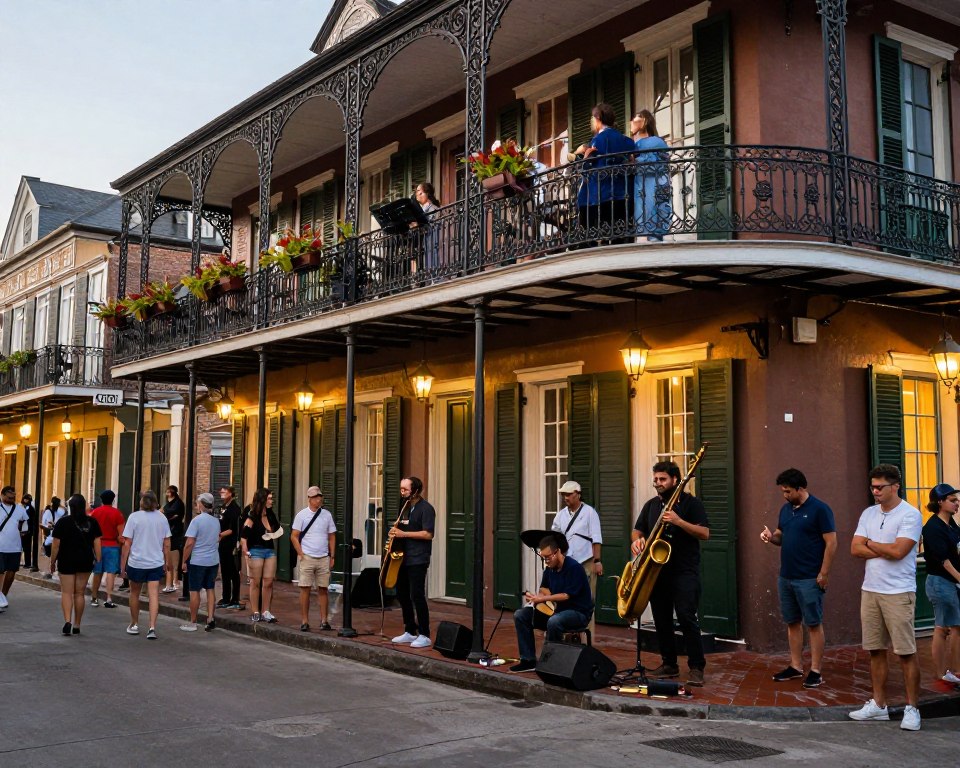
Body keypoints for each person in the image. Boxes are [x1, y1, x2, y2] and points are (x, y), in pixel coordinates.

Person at [849, 464, 923, 730]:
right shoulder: (868, 513)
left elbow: (900, 551)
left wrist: (871, 543)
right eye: (873, 487)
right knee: (875, 650)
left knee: (906, 652)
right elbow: (854, 549)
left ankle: (912, 708)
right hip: (870, 590)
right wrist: (883, 548)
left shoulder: (910, 514)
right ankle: (879, 705)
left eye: (880, 487)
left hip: (899, 591)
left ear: (895, 486)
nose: (875, 491)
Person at [632, 460, 710, 687]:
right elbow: (637, 531)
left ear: (675, 480)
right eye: (655, 479)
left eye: (662, 479)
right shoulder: (650, 505)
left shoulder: (691, 504)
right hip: (657, 572)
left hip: (685, 571)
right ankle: (669, 664)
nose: (657, 483)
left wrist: (679, 521)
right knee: (661, 619)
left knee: (686, 617)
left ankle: (696, 667)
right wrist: (637, 542)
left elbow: (705, 533)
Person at [761, 468, 837, 689]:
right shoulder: (786, 510)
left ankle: (815, 670)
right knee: (792, 622)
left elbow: (831, 543)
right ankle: (795, 666)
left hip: (809, 578)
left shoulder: (820, 509)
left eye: (787, 491)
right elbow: (780, 537)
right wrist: (770, 536)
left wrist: (824, 573)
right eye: (782, 491)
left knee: (813, 623)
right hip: (786, 576)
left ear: (800, 488)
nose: (784, 495)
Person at [511, 533, 594, 673]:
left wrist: (543, 599)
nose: (546, 561)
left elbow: (566, 595)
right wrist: (536, 597)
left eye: (548, 557)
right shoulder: (549, 569)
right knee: (520, 615)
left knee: (554, 622)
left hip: (578, 613)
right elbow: (544, 588)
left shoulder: (574, 568)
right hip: (555, 611)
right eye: (543, 558)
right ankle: (528, 660)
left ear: (558, 552)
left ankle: (551, 662)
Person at [571, 102, 636, 247]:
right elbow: (632, 150)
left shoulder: (597, 140)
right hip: (622, 192)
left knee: (597, 231)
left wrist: (585, 157)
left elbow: (589, 168)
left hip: (600, 193)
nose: (592, 122)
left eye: (593, 118)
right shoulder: (623, 139)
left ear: (598, 118)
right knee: (619, 235)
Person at [389, 476, 436, 649]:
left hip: (418, 558)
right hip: (402, 557)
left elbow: (428, 534)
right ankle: (410, 629)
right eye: (401, 489)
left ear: (415, 490)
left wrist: (404, 534)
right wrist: (395, 532)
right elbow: (402, 528)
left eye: (405, 489)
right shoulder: (405, 507)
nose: (402, 493)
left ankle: (425, 634)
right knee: (402, 593)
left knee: (417, 595)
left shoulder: (426, 509)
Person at [921, 483, 960, 685]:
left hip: (951, 582)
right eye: (952, 500)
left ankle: (954, 670)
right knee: (942, 627)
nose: (957, 503)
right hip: (940, 581)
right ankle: (941, 673)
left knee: (955, 626)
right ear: (939, 502)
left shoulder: (951, 524)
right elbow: (943, 560)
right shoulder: (933, 528)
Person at [551, 480, 602, 634]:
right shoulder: (560, 515)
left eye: (569, 494)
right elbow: (554, 537)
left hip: (585, 561)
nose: (566, 497)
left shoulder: (589, 512)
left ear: (578, 494)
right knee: (564, 599)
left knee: (587, 601)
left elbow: (596, 538)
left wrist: (597, 561)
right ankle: (565, 636)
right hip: (566, 563)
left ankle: (587, 639)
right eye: (563, 494)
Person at [121, 490, 172, 640]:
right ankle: (152, 627)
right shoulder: (162, 518)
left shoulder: (134, 517)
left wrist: (122, 565)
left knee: (134, 593)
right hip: (155, 562)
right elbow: (167, 543)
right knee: (154, 595)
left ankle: (134, 624)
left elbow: (127, 544)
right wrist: (166, 562)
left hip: (137, 562)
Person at [50, 494, 101, 635]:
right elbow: (97, 543)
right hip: (85, 559)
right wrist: (98, 558)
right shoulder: (92, 522)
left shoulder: (63, 522)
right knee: (79, 593)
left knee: (66, 592)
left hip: (66, 559)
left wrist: (52, 561)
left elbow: (56, 545)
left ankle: (67, 621)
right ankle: (77, 624)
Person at [291, 486, 337, 632]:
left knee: (323, 589)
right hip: (308, 556)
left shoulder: (327, 515)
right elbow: (294, 536)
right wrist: (301, 553)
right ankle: (305, 620)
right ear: (310, 499)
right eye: (316, 497)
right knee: (305, 589)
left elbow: (332, 536)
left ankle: (324, 620)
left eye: (320, 497)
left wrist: (332, 555)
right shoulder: (302, 515)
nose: (319, 499)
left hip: (323, 556)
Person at [180, 493, 221, 632]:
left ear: (202, 504)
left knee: (194, 591)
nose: (197, 505)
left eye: (198, 503)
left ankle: (193, 621)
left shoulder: (196, 521)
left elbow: (189, 543)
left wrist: (184, 560)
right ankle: (210, 618)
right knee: (210, 589)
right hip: (213, 560)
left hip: (198, 560)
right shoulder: (216, 521)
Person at [630, 109, 672, 242]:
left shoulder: (655, 141)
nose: (632, 122)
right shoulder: (633, 144)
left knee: (654, 217)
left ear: (644, 121)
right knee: (642, 217)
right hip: (640, 186)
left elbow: (660, 164)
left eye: (636, 119)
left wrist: (635, 161)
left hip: (653, 184)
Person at [241, 488, 280, 623]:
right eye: (269, 498)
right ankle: (255, 611)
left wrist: (273, 533)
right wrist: (245, 550)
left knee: (268, 582)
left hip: (269, 550)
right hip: (256, 550)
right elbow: (244, 535)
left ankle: (266, 611)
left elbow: (277, 529)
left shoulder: (270, 514)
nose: (271, 501)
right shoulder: (252, 514)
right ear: (262, 500)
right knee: (255, 582)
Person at [89, 490, 125, 609]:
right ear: (113, 500)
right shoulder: (117, 514)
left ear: (101, 500)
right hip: (112, 546)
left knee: (97, 572)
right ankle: (109, 598)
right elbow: (121, 535)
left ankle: (94, 597)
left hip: (98, 544)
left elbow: (90, 531)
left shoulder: (95, 512)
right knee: (110, 573)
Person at [0, 485, 30, 606]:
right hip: (0, 546)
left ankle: (3, 595)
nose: (11, 499)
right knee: (0, 571)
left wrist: (22, 531)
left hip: (15, 547)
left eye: (13, 497)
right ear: (2, 496)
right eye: (9, 497)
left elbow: (25, 526)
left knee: (11, 572)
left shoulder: (20, 509)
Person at [217, 485, 242, 610]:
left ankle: (235, 598)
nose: (222, 492)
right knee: (225, 572)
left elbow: (233, 529)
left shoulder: (235, 509)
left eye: (225, 491)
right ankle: (225, 597)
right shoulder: (222, 508)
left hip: (231, 544)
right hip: (222, 544)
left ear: (231, 493)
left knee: (233, 572)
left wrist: (220, 535)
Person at [413, 182, 441, 274]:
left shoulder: (433, 208)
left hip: (432, 240)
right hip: (425, 243)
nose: (417, 194)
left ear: (427, 194)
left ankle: (435, 276)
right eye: (416, 192)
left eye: (420, 192)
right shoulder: (422, 210)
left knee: (432, 260)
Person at [162, 485, 186, 593]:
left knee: (173, 557)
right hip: (171, 531)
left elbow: (170, 513)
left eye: (168, 492)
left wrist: (164, 512)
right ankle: (172, 581)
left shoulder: (178, 503)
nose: (166, 494)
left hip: (175, 532)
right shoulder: (170, 503)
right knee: (170, 558)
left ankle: (175, 581)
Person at [40, 496, 65, 576]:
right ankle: (56, 571)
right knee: (58, 553)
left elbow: (44, 523)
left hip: (50, 536)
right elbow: (65, 512)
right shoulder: (61, 511)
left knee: (47, 554)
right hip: (59, 535)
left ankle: (48, 571)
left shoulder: (48, 511)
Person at [20, 493, 36, 570]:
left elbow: (27, 519)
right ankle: (27, 562)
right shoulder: (27, 507)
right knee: (25, 547)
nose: (25, 500)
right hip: (26, 530)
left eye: (26, 499)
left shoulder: (29, 508)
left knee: (26, 547)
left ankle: (28, 563)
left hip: (27, 530)